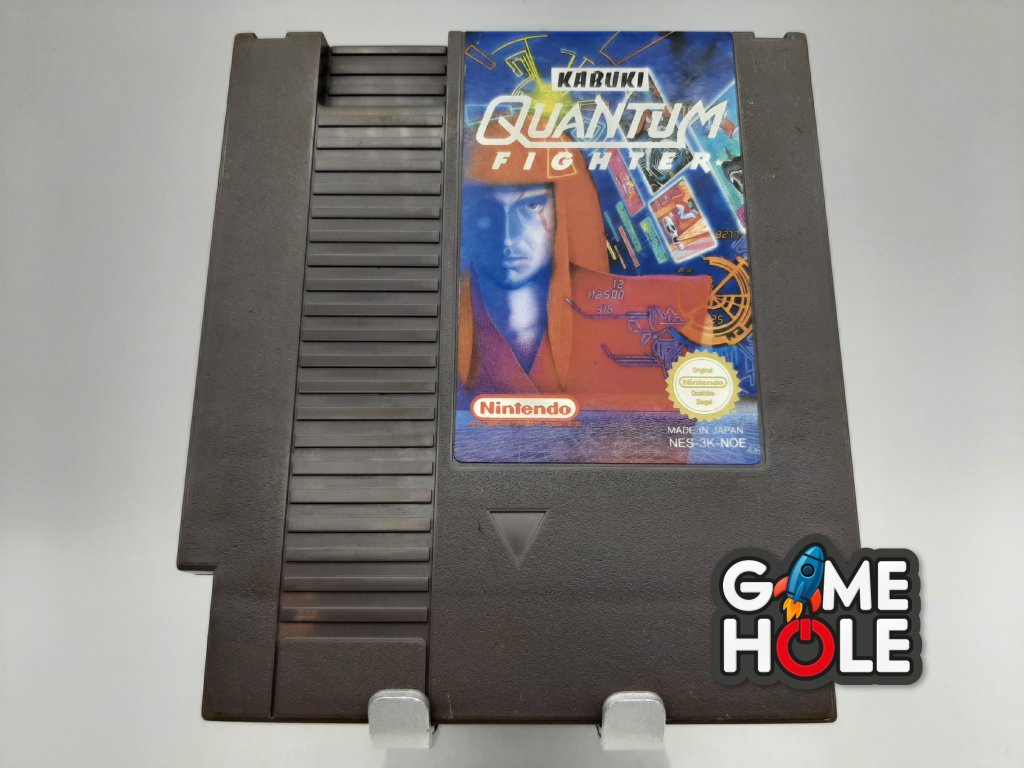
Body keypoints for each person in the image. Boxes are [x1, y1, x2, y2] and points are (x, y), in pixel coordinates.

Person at [458, 137, 714, 411]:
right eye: (486, 209)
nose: (508, 237)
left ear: (565, 210)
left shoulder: (661, 310)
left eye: (531, 206)